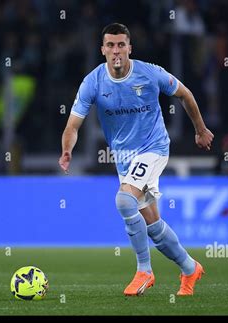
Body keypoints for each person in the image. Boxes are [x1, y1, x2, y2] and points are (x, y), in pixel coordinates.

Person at [59, 23, 214, 296]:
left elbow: (185, 94)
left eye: (121, 45)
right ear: (102, 50)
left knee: (123, 199)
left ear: (130, 48)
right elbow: (73, 125)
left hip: (154, 148)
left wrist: (200, 130)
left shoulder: (150, 73)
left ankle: (144, 271)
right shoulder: (93, 82)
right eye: (110, 45)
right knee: (153, 227)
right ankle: (190, 268)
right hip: (125, 160)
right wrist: (67, 149)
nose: (116, 51)